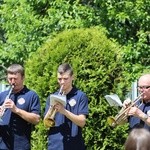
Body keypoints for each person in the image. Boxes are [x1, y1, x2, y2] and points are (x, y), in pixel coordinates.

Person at [44, 63, 89, 150]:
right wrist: (50, 109)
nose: (62, 82)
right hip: (54, 145)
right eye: (59, 79)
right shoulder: (52, 97)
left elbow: (82, 122)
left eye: (65, 79)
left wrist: (64, 111)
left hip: (74, 145)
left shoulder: (80, 96)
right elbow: (46, 124)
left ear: (73, 77)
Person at [0, 64, 41, 150]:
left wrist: (16, 110)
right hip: (3, 145)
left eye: (15, 79)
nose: (12, 82)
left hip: (21, 146)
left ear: (23, 78)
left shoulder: (31, 95)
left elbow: (36, 119)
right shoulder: (2, 95)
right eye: (10, 79)